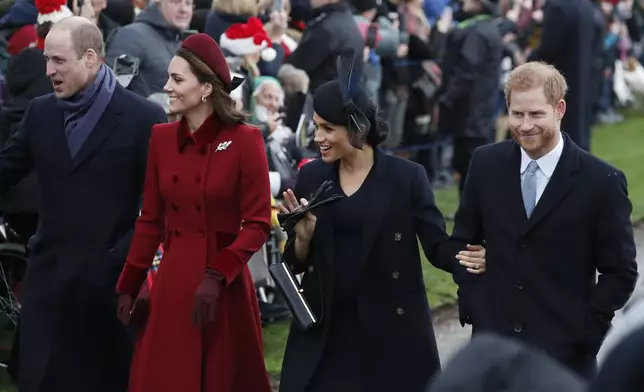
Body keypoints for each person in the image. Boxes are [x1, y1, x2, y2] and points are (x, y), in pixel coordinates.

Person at [277, 52, 487, 392]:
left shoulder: (407, 178)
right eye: (316, 127)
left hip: (391, 333)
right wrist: (302, 239)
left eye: (328, 128)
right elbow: (295, 265)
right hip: (326, 332)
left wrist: (471, 260)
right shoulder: (312, 176)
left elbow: (436, 246)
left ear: (358, 128)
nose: (318, 137)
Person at [0, 16, 167, 392]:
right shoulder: (40, 113)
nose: (49, 71)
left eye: (59, 61)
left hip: (109, 285)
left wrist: (124, 255)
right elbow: (6, 169)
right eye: (46, 60)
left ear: (91, 58)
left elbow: (161, 204)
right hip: (49, 279)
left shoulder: (143, 118)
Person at [453, 62, 638, 378]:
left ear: (559, 109)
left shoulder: (601, 181)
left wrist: (585, 333)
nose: (525, 126)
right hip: (493, 348)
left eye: (536, 114)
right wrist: (475, 303)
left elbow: (620, 272)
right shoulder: (485, 163)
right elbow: (463, 243)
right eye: (517, 114)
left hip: (564, 357)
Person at [115, 33, 273, 392]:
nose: (166, 87)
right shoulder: (161, 138)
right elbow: (150, 221)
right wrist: (129, 284)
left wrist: (217, 276)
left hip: (223, 287)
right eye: (169, 78)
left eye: (177, 79)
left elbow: (258, 223)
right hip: (172, 283)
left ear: (205, 88)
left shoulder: (246, 140)